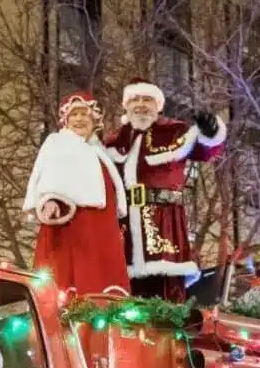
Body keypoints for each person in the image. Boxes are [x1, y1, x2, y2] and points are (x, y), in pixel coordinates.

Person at [105, 77, 228, 303]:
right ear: (126, 105)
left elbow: (206, 150)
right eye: (134, 99)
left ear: (159, 105)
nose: (140, 104)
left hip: (165, 224)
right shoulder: (114, 141)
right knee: (125, 294)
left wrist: (211, 131)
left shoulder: (174, 132)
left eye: (147, 99)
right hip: (125, 230)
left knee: (166, 291)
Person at [24, 91, 130, 297]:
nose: (80, 119)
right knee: (73, 279)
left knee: (103, 279)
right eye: (74, 115)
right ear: (65, 119)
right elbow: (48, 172)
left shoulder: (98, 150)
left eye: (84, 114)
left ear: (94, 119)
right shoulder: (58, 142)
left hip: (101, 227)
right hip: (73, 226)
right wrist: (49, 199)